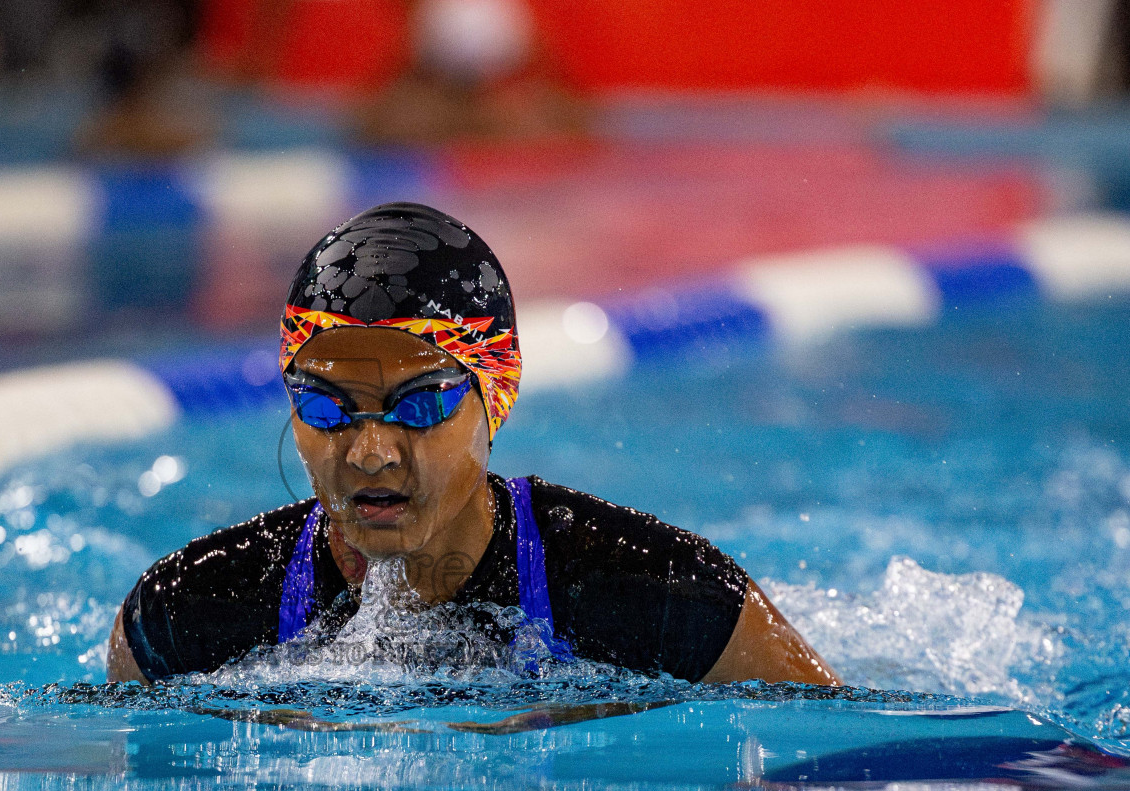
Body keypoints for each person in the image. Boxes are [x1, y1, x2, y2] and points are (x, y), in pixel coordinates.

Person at [107, 202, 840, 689]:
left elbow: (836, 775)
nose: (368, 453)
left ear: (496, 399)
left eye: (419, 404)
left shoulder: (663, 594)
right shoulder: (187, 616)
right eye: (327, 408)